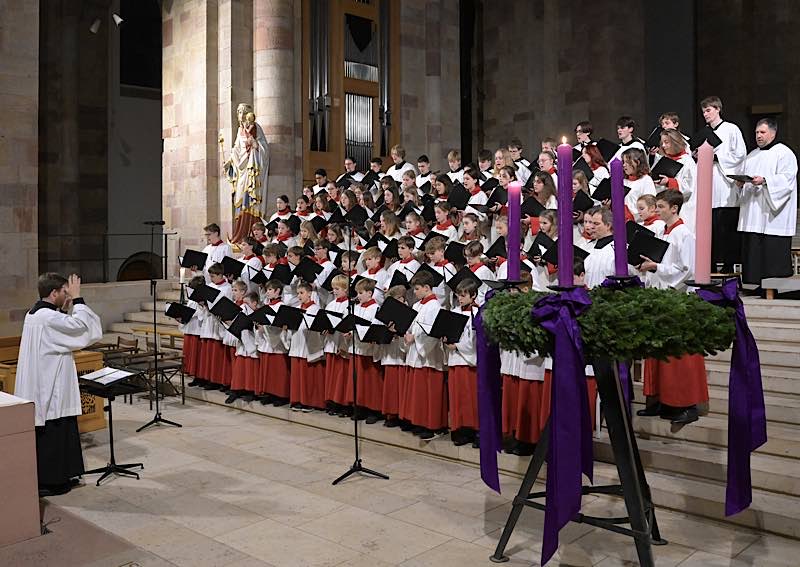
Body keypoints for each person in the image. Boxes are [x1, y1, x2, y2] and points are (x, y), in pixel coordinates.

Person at [15, 273, 102, 496]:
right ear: (54, 293)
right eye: (65, 292)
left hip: (44, 381)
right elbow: (84, 330)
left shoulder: (35, 314)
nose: (67, 296)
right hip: (50, 386)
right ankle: (52, 481)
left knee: (55, 431)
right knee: (54, 430)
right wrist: (79, 300)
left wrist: (67, 304)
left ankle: (60, 476)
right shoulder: (47, 317)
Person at [637, 190, 707, 425]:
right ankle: (659, 399)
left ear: (674, 208)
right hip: (660, 298)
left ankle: (685, 404)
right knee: (658, 352)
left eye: (660, 206)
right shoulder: (662, 231)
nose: (656, 210)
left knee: (678, 356)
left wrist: (657, 268)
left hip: (677, 301)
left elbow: (687, 270)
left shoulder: (684, 234)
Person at [736, 117, 798, 286]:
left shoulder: (784, 153)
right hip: (753, 213)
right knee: (753, 250)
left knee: (771, 251)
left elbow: (787, 180)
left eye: (762, 132)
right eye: (756, 132)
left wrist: (765, 181)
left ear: (773, 133)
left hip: (772, 215)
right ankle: (752, 284)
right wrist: (741, 184)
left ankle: (774, 286)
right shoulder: (751, 156)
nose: (758, 136)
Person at [700, 96, 747, 273]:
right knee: (710, 227)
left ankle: (728, 264)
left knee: (726, 226)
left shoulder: (731, 129)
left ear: (718, 109)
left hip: (726, 184)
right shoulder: (704, 133)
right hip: (709, 183)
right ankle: (709, 262)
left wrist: (718, 158)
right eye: (703, 111)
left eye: (709, 110)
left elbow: (740, 154)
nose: (705, 114)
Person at [403, 271, 447, 440]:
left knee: (430, 392)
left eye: (417, 288)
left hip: (427, 356)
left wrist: (415, 337)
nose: (414, 292)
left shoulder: (435, 306)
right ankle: (420, 421)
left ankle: (433, 425)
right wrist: (407, 334)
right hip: (415, 354)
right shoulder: (417, 306)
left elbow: (432, 332)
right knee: (419, 393)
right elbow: (411, 325)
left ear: (427, 288)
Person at [224, 103, 269, 243]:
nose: (241, 115)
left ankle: (252, 235)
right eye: (239, 112)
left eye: (244, 112)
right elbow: (237, 149)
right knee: (240, 200)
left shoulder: (256, 128)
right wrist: (230, 162)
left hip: (252, 169)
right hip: (242, 171)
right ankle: (240, 235)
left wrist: (255, 144)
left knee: (250, 199)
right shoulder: (239, 131)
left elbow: (264, 149)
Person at [445, 279, 480, 447]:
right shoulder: (453, 312)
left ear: (473, 295)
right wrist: (445, 339)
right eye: (458, 295)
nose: (460, 298)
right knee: (457, 397)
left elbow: (475, 341)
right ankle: (460, 430)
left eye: (464, 295)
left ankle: (475, 430)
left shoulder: (478, 313)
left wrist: (456, 345)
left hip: (469, 362)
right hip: (454, 360)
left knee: (471, 398)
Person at [286, 281, 325, 411]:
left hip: (308, 346)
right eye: (298, 293)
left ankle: (308, 401)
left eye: (301, 293)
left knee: (308, 377)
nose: (299, 296)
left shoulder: (316, 309)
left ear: (309, 293)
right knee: (297, 376)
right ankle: (297, 399)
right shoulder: (296, 309)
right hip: (297, 344)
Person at [255, 279, 290, 406]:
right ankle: (269, 393)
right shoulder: (266, 306)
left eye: (270, 290)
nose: (267, 292)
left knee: (278, 370)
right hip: (266, 341)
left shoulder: (282, 306)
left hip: (277, 341)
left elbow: (281, 324)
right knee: (268, 370)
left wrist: (266, 326)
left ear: (278, 291)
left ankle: (280, 395)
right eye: (267, 290)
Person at [655, 128, 697, 233]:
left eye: (666, 142)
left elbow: (690, 187)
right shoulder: (664, 160)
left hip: (684, 208)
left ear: (675, 142)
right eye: (662, 143)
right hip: (665, 209)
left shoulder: (687, 161)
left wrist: (669, 182)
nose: (663, 146)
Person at [583, 206, 617, 287]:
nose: (591, 227)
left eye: (596, 224)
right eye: (590, 223)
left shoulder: (619, 248)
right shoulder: (587, 247)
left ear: (608, 225)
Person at [621, 148, 657, 221]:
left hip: (638, 222)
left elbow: (649, 205)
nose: (624, 165)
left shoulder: (646, 180)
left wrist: (632, 217)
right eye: (623, 162)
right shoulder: (622, 180)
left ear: (637, 162)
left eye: (627, 162)